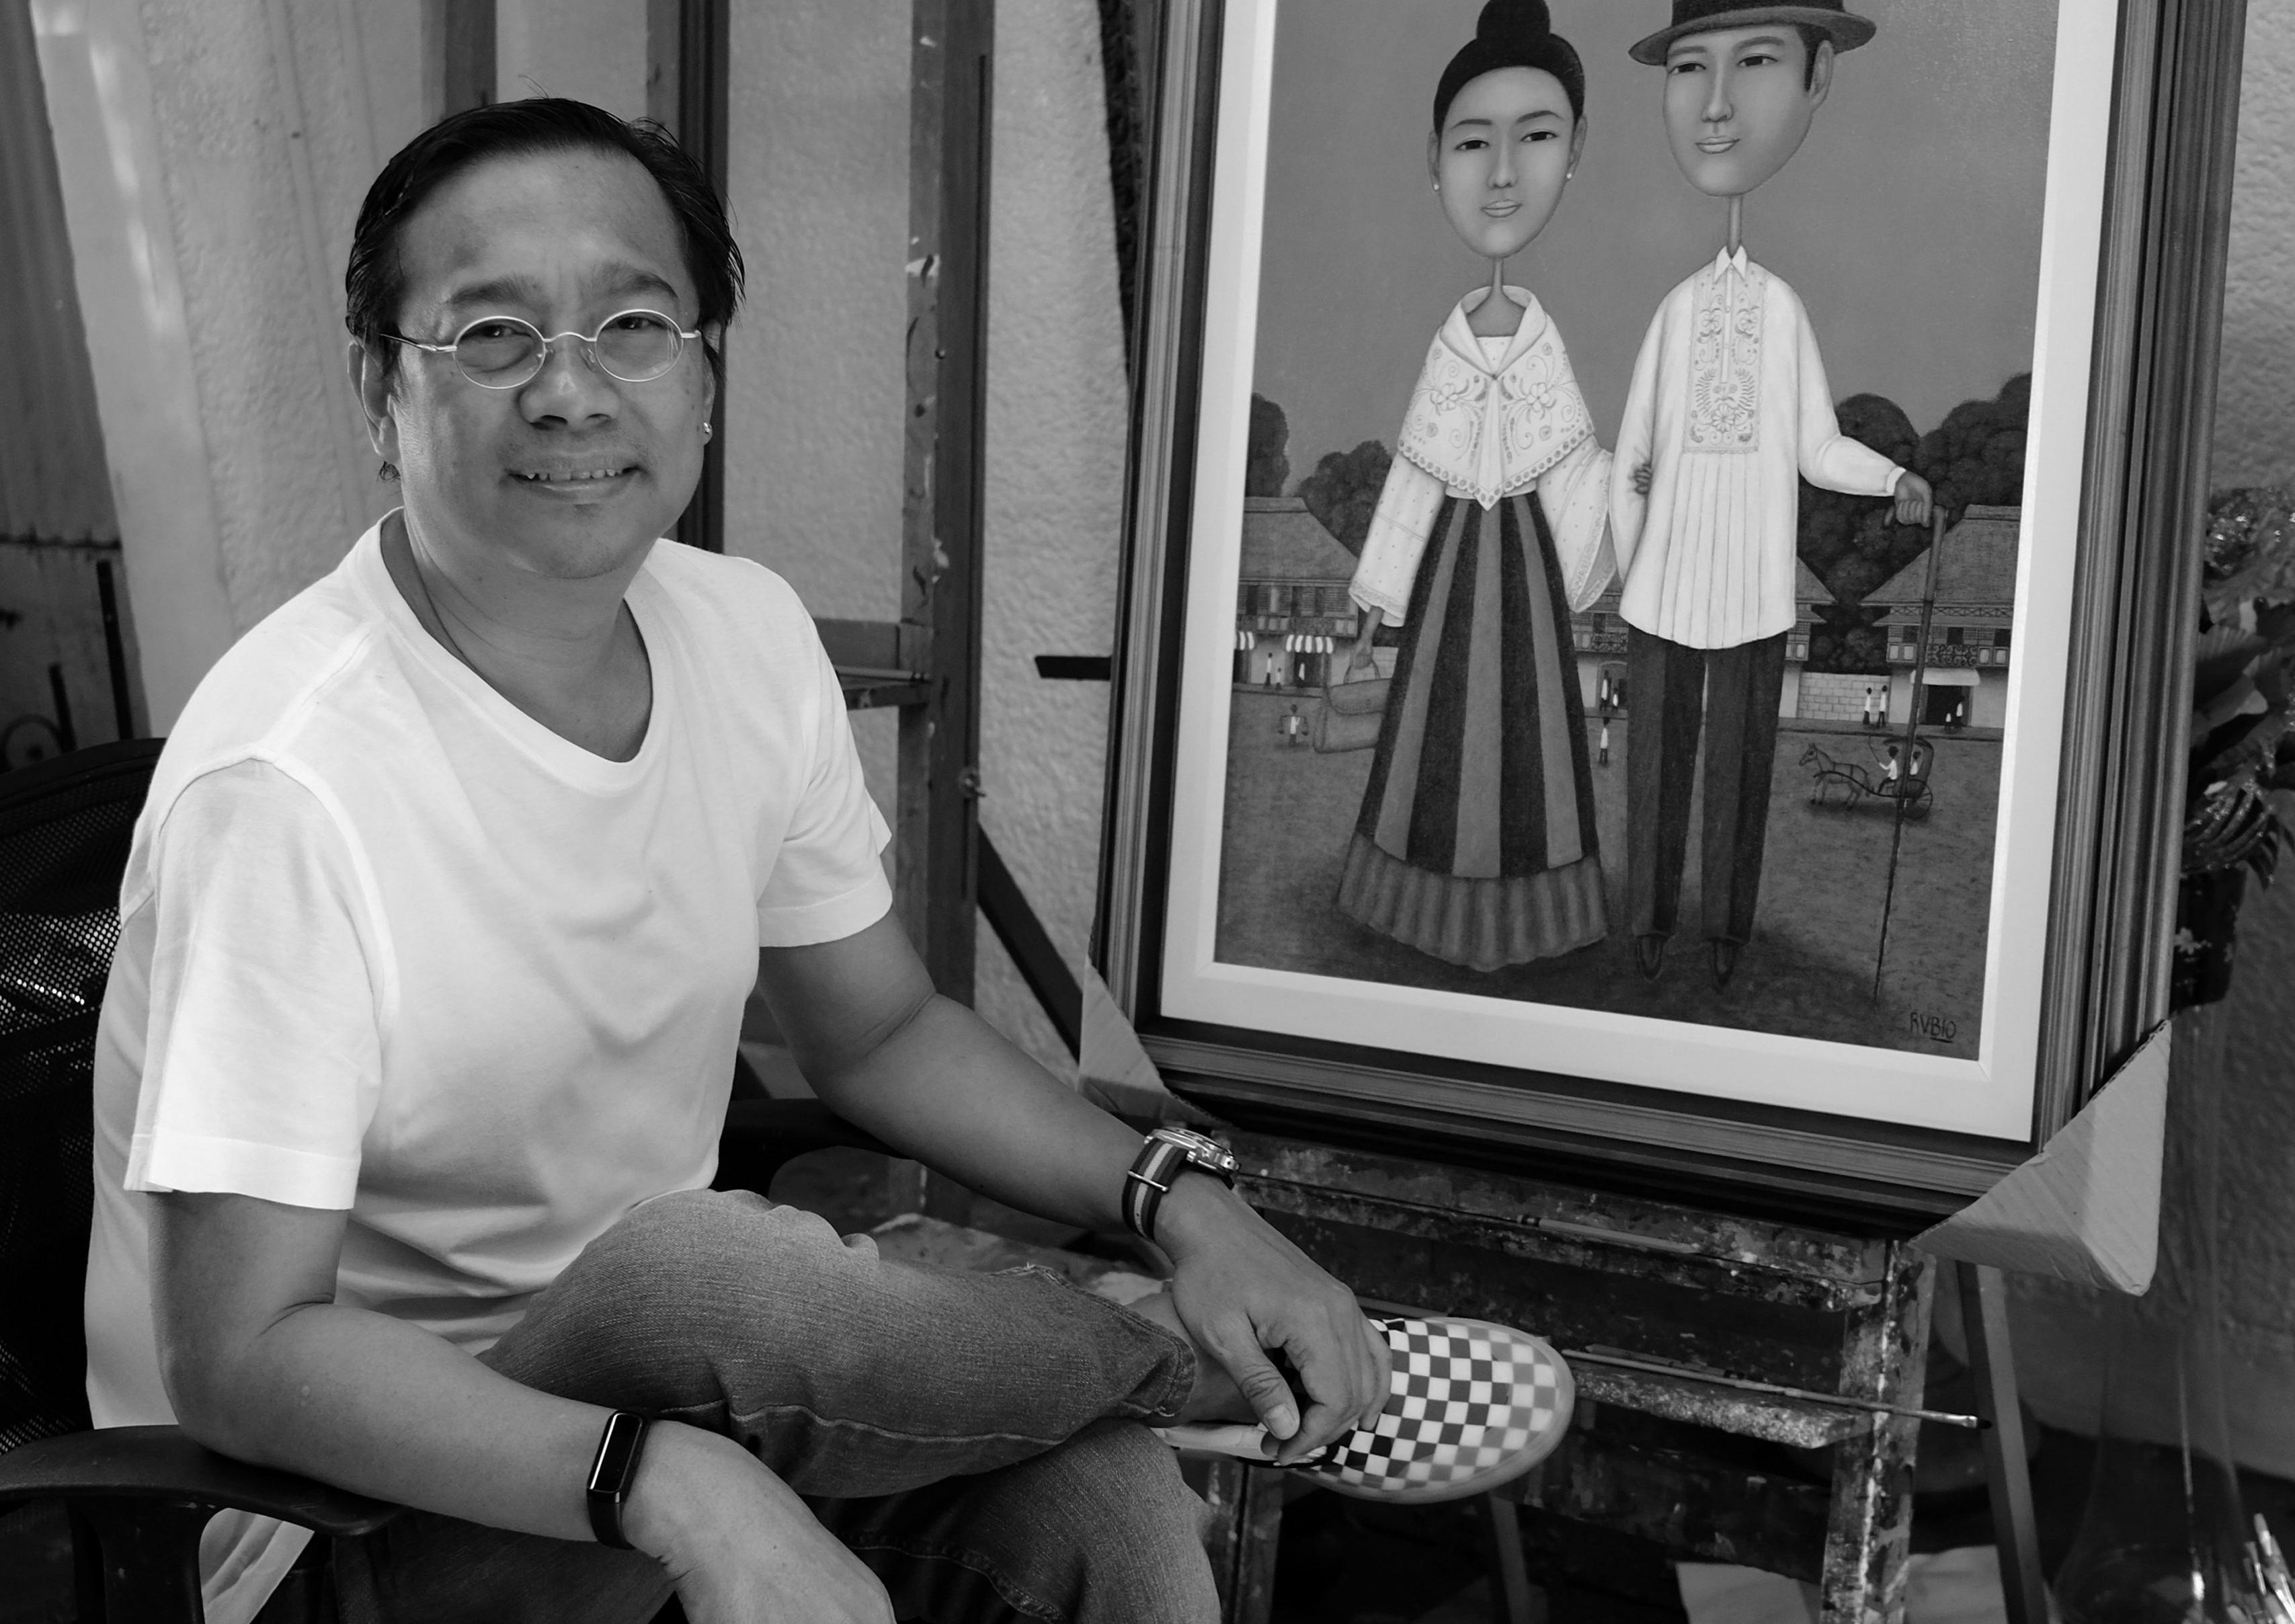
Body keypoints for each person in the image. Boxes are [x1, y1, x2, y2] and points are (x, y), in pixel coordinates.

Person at [76, 99, 1583, 1624]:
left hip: (673, 1423)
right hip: (340, 1528)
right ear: (377, 391)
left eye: (634, 326)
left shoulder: (742, 637)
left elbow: (879, 1031)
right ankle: (1184, 1364)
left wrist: (1188, 1204)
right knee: (698, 1272)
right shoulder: (285, 787)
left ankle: (1163, 1359)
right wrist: (669, 1482)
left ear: (704, 378)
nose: (571, 391)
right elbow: (242, 1357)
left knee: (1109, 1513)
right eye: (492, 335)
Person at [1609, 0, 1934, 991]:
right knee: (1658, 765)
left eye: (1753, 64)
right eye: (1691, 70)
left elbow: (1815, 447)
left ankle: (1726, 934)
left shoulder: (1782, 310)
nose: (1716, 105)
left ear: (1813, 78)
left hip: (1753, 589)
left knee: (1740, 766)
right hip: (1662, 590)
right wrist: (1631, 565)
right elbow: (1633, 455)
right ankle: (1648, 923)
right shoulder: (1676, 310)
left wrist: (1894, 478)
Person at [1334, 0, 1616, 973]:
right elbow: (1415, 480)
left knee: (1529, 734)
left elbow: (1574, 470)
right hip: (1451, 570)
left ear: (1572, 149)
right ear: (1436, 157)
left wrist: (1631, 488)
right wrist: (1373, 610)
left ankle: (1537, 913)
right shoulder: (1448, 347)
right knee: (1436, 724)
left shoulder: (1543, 344)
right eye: (1472, 142)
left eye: (1533, 137)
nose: (1502, 173)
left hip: (1526, 575)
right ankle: (1419, 904)